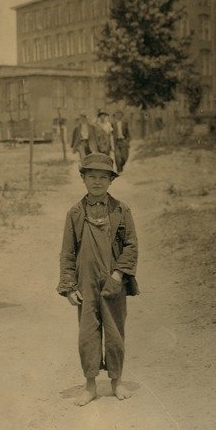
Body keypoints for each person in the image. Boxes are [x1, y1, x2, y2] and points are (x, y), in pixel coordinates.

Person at [57, 152, 139, 406]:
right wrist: (69, 286)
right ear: (83, 178)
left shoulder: (121, 210)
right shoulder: (75, 213)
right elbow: (67, 252)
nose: (97, 182)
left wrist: (118, 275)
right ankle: (90, 385)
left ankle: (116, 382)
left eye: (103, 177)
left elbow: (131, 246)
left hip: (113, 282)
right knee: (87, 334)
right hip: (86, 283)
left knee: (115, 332)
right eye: (91, 176)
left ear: (111, 181)